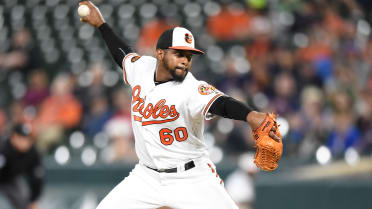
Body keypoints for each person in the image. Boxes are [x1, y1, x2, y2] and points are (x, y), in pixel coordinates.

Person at [79, 1, 280, 209]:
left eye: (188, 55)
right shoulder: (141, 68)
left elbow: (222, 103)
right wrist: (101, 24)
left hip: (192, 178)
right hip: (146, 176)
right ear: (160, 54)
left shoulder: (191, 88)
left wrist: (251, 116)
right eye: (179, 54)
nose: (185, 60)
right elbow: (121, 53)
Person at [0, 123, 44, 209]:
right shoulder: (3, 149)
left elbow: (37, 178)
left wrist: (33, 200)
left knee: (24, 200)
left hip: (12, 180)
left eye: (27, 138)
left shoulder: (33, 152)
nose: (25, 141)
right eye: (22, 138)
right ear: (13, 137)